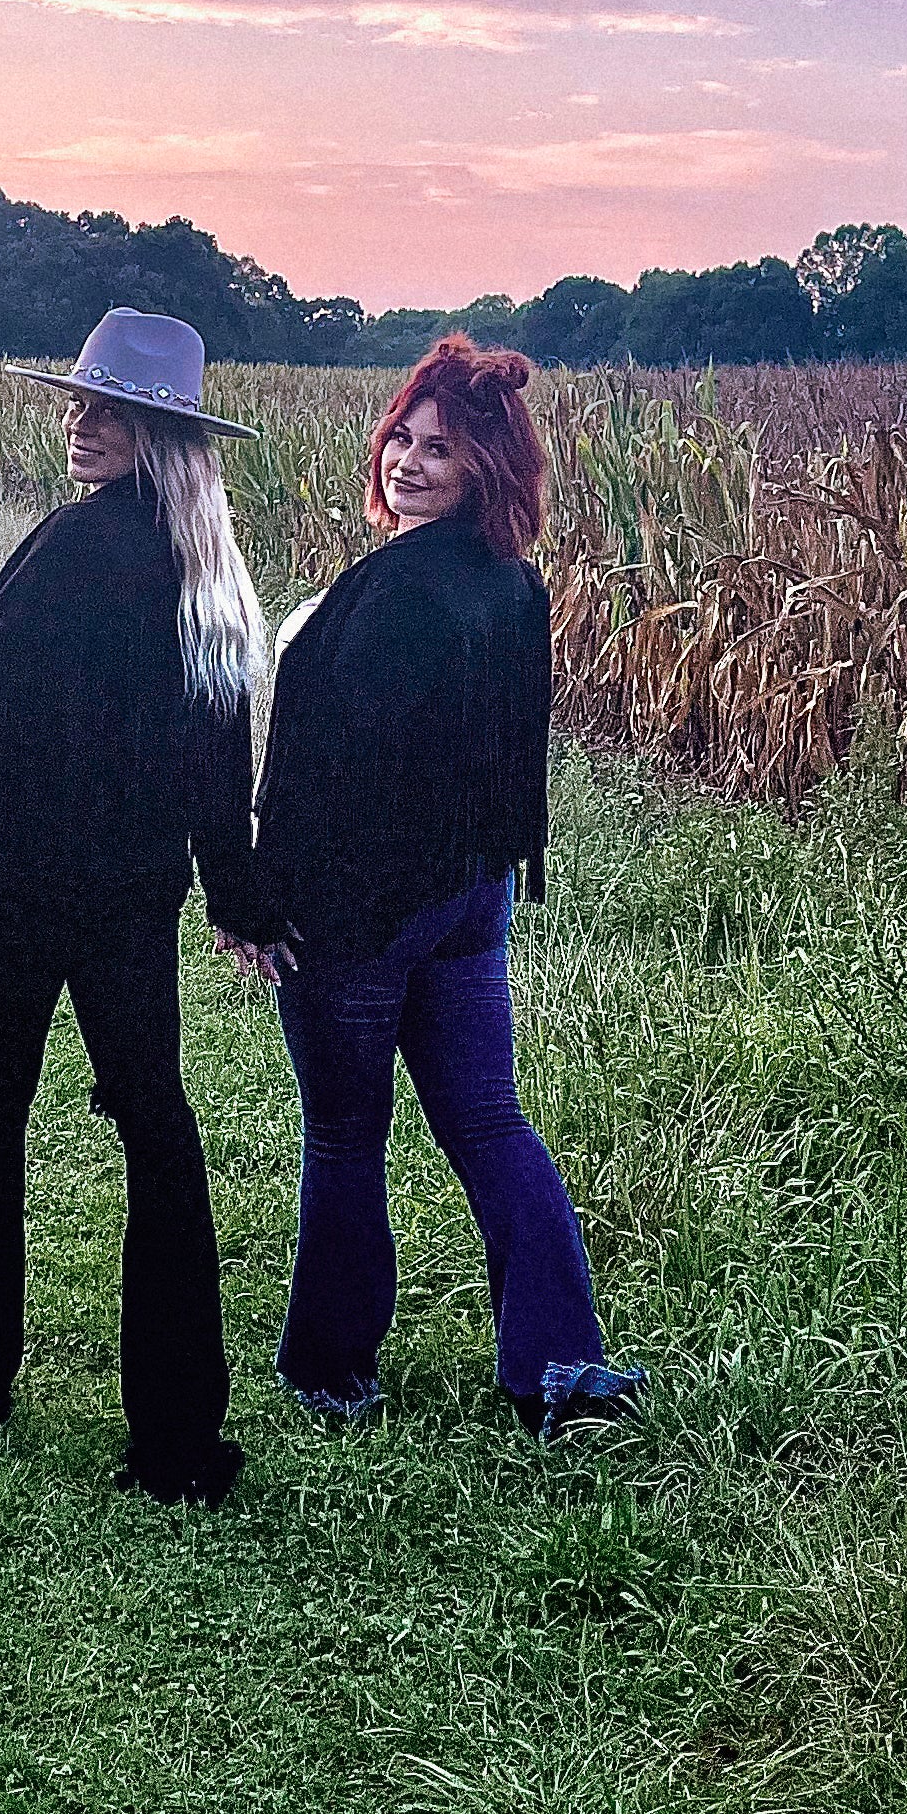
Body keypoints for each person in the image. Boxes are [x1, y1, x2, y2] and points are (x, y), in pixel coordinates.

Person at [0, 309, 272, 1507]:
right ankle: (176, 1438)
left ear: (158, 431)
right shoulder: (200, 566)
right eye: (76, 401)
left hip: (20, 880)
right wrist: (235, 891)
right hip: (132, 894)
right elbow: (221, 760)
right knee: (155, 1124)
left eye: (108, 408)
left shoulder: (70, 548)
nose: (80, 420)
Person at [245, 334, 644, 1434]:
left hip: (366, 915)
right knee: (489, 1122)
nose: (407, 464)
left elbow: (331, 781)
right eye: (403, 439)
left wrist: (268, 904)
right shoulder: (514, 585)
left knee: (344, 1136)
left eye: (442, 450)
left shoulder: (388, 596)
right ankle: (562, 1368)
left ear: (487, 470)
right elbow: (514, 757)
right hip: (472, 900)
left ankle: (332, 1373)